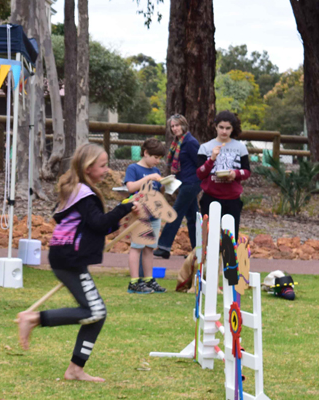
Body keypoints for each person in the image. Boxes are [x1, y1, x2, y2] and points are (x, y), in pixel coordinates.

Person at [17, 144, 138, 383]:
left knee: (97, 314)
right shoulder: (84, 194)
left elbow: (97, 225)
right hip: (69, 259)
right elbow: (99, 224)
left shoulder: (79, 191)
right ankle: (33, 319)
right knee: (95, 311)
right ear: (88, 167)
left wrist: (125, 217)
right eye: (102, 165)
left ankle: (75, 369)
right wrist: (124, 207)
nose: (106, 170)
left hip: (67, 257)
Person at [197, 110, 250, 236]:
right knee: (209, 235)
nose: (224, 131)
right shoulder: (205, 147)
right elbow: (200, 173)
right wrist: (211, 159)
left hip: (232, 199)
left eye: (228, 128)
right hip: (210, 197)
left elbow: (247, 171)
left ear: (233, 129)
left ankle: (228, 256)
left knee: (230, 237)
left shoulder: (240, 147)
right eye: (221, 127)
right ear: (215, 127)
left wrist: (235, 174)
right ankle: (207, 255)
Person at [124, 138, 167, 294]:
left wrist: (164, 185)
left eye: (159, 159)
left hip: (154, 213)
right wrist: (148, 178)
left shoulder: (156, 171)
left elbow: (158, 191)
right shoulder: (133, 168)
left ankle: (148, 279)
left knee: (149, 247)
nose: (157, 161)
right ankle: (134, 282)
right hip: (139, 213)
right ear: (146, 153)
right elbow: (130, 188)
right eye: (155, 157)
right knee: (137, 247)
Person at [154, 115, 201, 259]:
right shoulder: (177, 142)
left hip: (192, 183)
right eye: (172, 126)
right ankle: (197, 251)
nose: (175, 128)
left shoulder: (190, 142)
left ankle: (163, 247)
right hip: (183, 183)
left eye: (177, 125)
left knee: (175, 212)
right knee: (193, 217)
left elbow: (200, 163)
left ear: (183, 125)